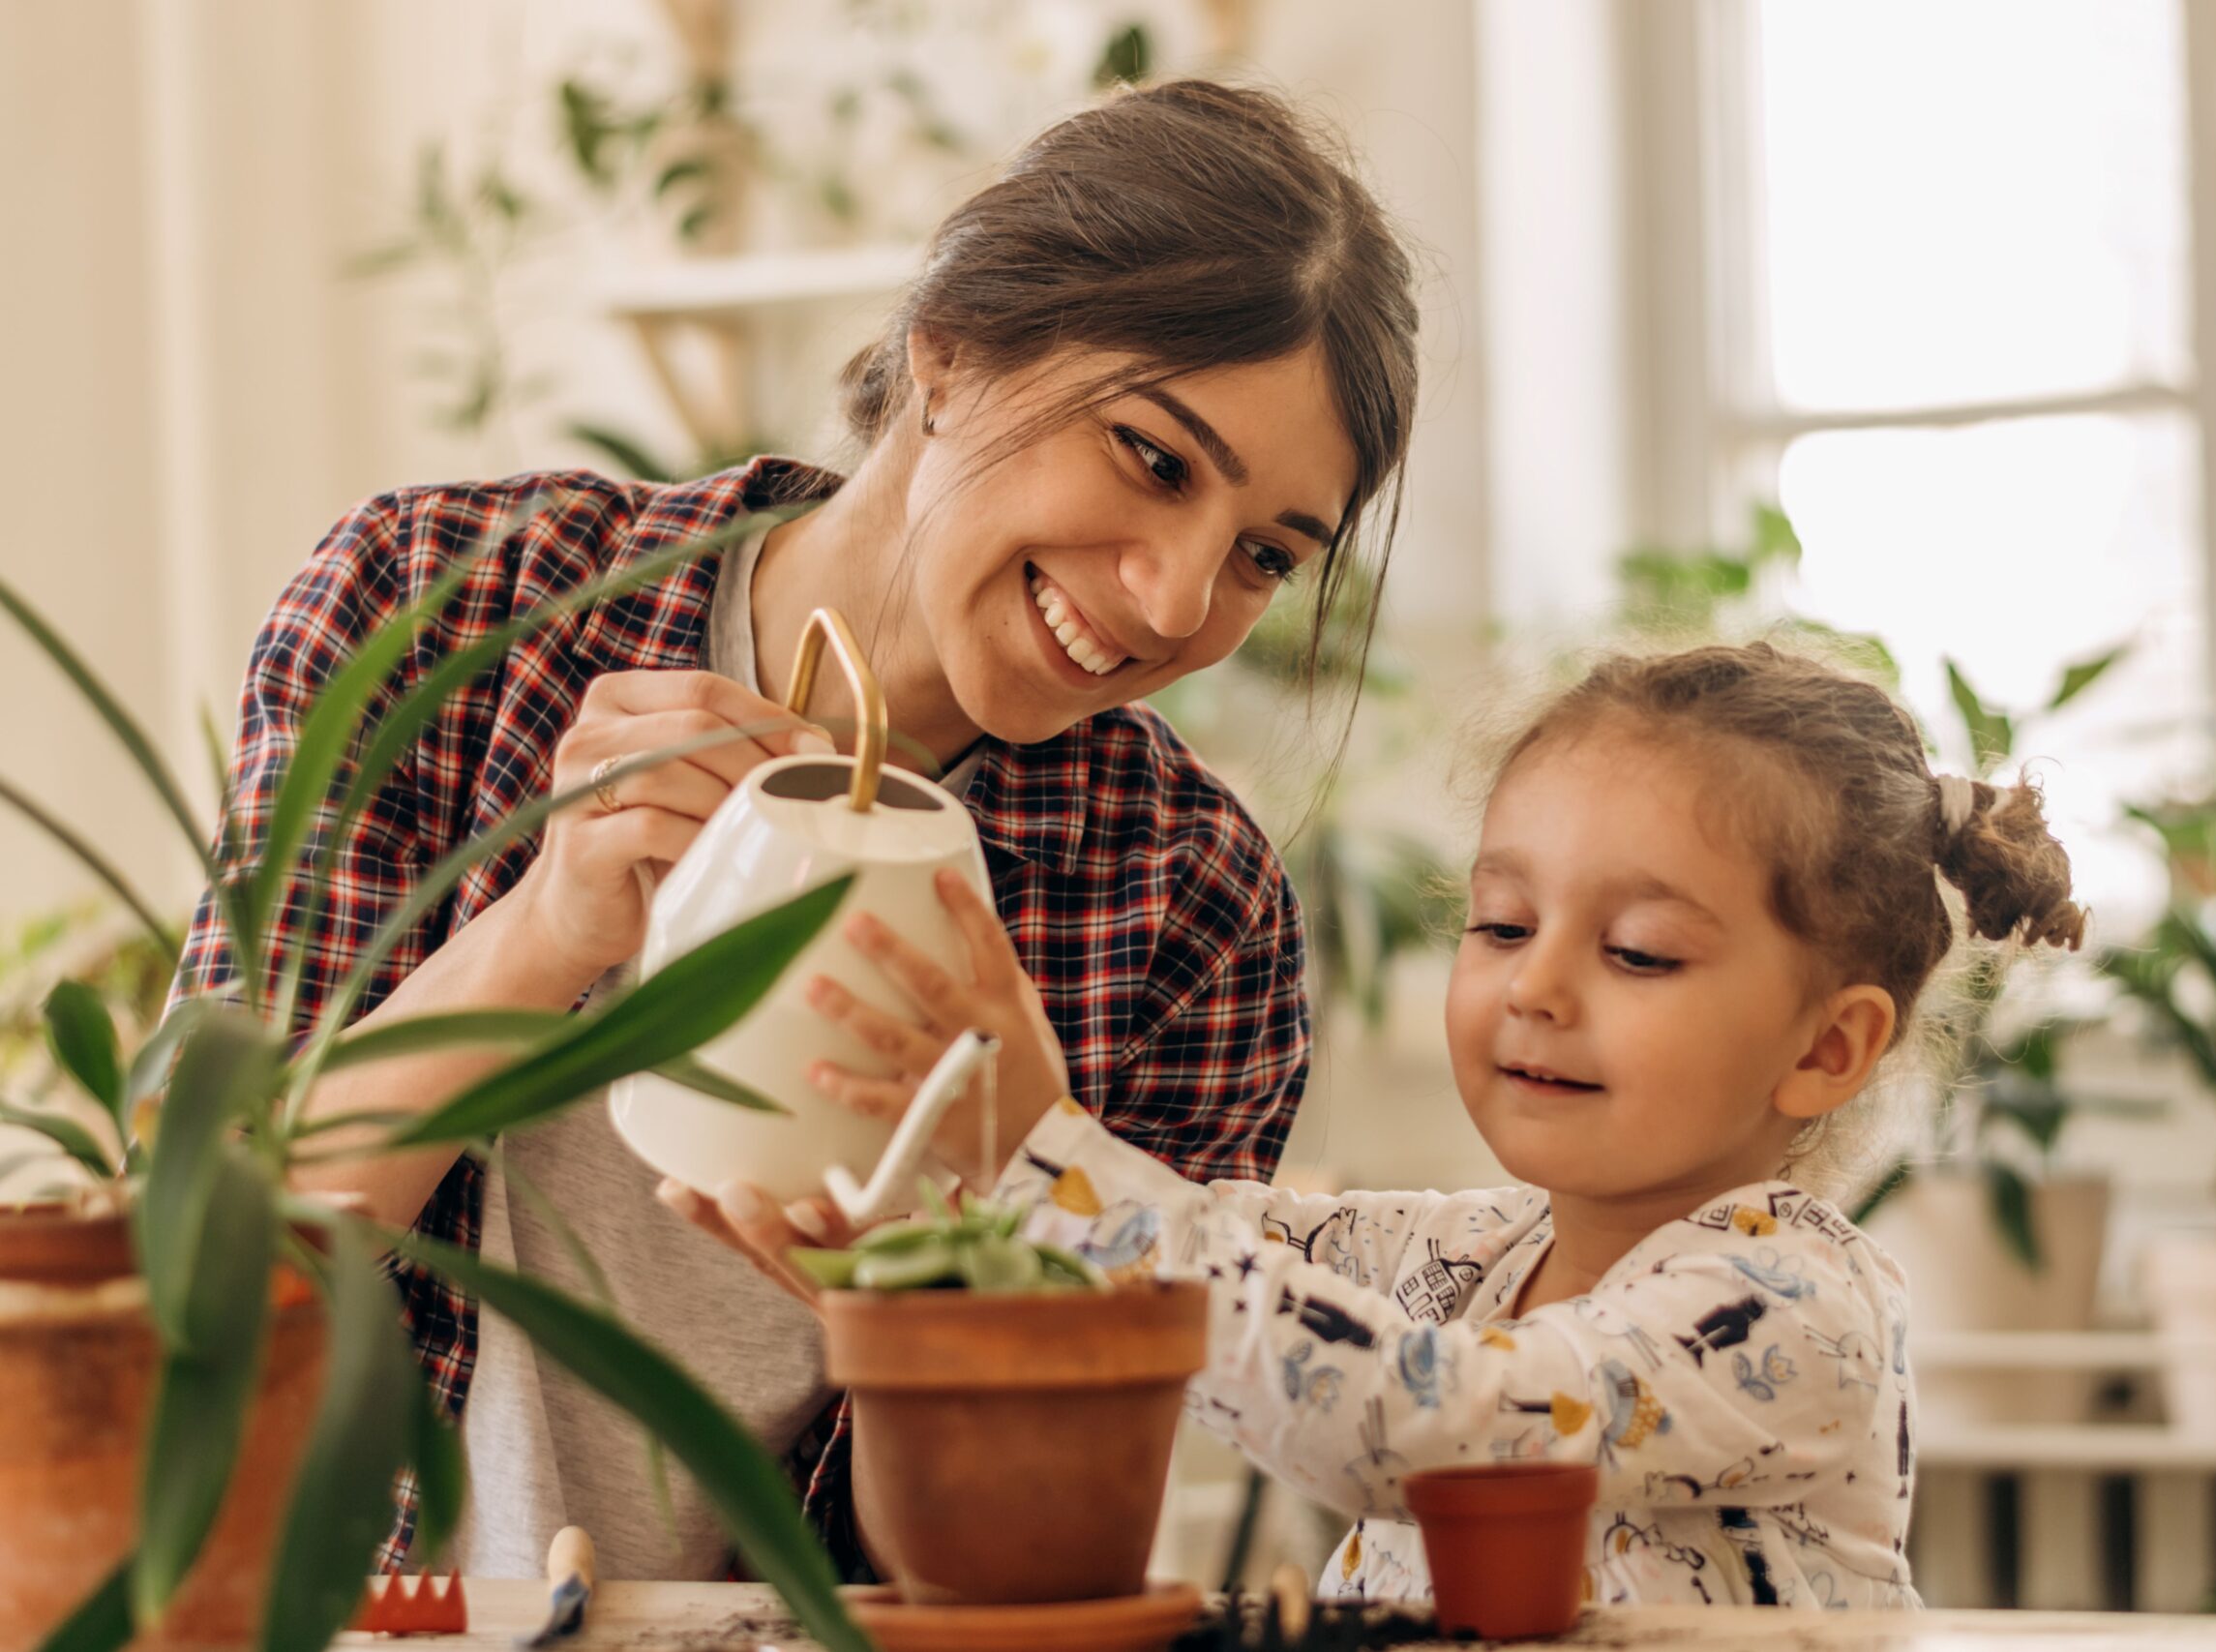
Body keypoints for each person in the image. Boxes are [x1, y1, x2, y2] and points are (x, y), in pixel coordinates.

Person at [168, 77, 1420, 1578]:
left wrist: (1018, 1195)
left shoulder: (1187, 907)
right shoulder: (444, 603)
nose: (1171, 600)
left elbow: (1030, 1569)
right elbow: (194, 1277)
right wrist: (546, 929)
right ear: (948, 354)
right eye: (1153, 460)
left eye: (1263, 556)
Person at [741, 642, 2089, 1607]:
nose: (1534, 987)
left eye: (1637, 952)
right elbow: (1206, 1252)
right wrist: (914, 1241)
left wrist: (1041, 1156)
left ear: (1825, 1046)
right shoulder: (1468, 1253)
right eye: (1500, 925)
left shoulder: (1794, 1310)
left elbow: (1424, 1428)